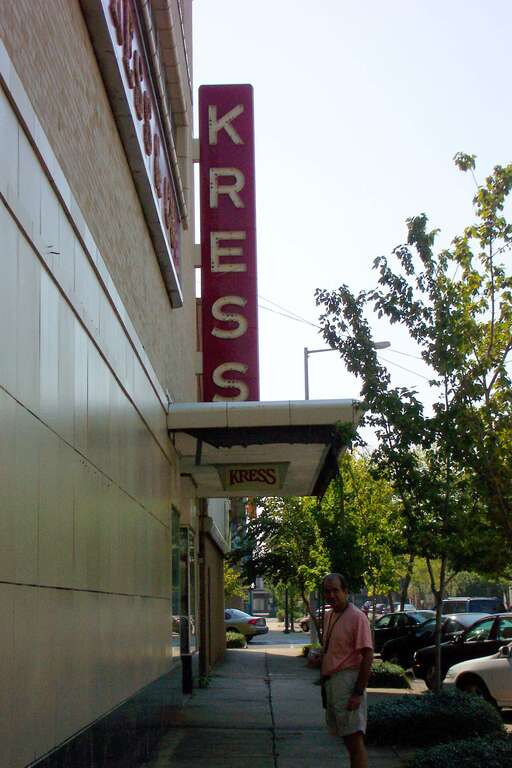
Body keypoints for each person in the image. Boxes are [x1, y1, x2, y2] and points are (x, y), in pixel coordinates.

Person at [321, 573, 374, 768]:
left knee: (354, 742)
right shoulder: (329, 615)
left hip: (348, 682)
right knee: (345, 739)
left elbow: (368, 655)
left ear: (346, 591)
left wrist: (357, 693)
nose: (331, 595)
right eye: (327, 591)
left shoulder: (357, 617)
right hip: (332, 684)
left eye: (336, 590)